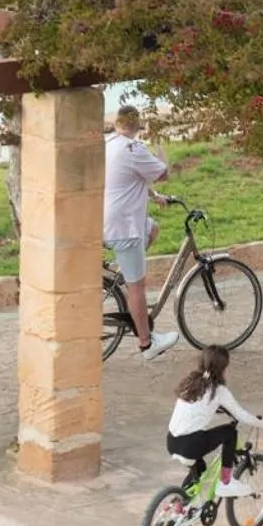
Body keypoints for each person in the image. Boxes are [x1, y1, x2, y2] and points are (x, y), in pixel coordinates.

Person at [104, 104, 176, 360]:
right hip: (125, 227)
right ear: (137, 127)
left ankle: (126, 271)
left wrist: (154, 196)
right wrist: (161, 150)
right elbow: (163, 173)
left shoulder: (110, 144)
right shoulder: (133, 148)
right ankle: (147, 344)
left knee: (153, 228)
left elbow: (128, 178)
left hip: (110, 220)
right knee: (138, 287)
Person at [166, 345, 263, 497]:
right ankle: (225, 483)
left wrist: (216, 408)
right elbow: (241, 415)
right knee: (230, 432)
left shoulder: (190, 383)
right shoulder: (218, 390)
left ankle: (180, 504)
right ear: (222, 369)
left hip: (172, 442)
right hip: (190, 444)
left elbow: (197, 407)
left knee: (199, 468)